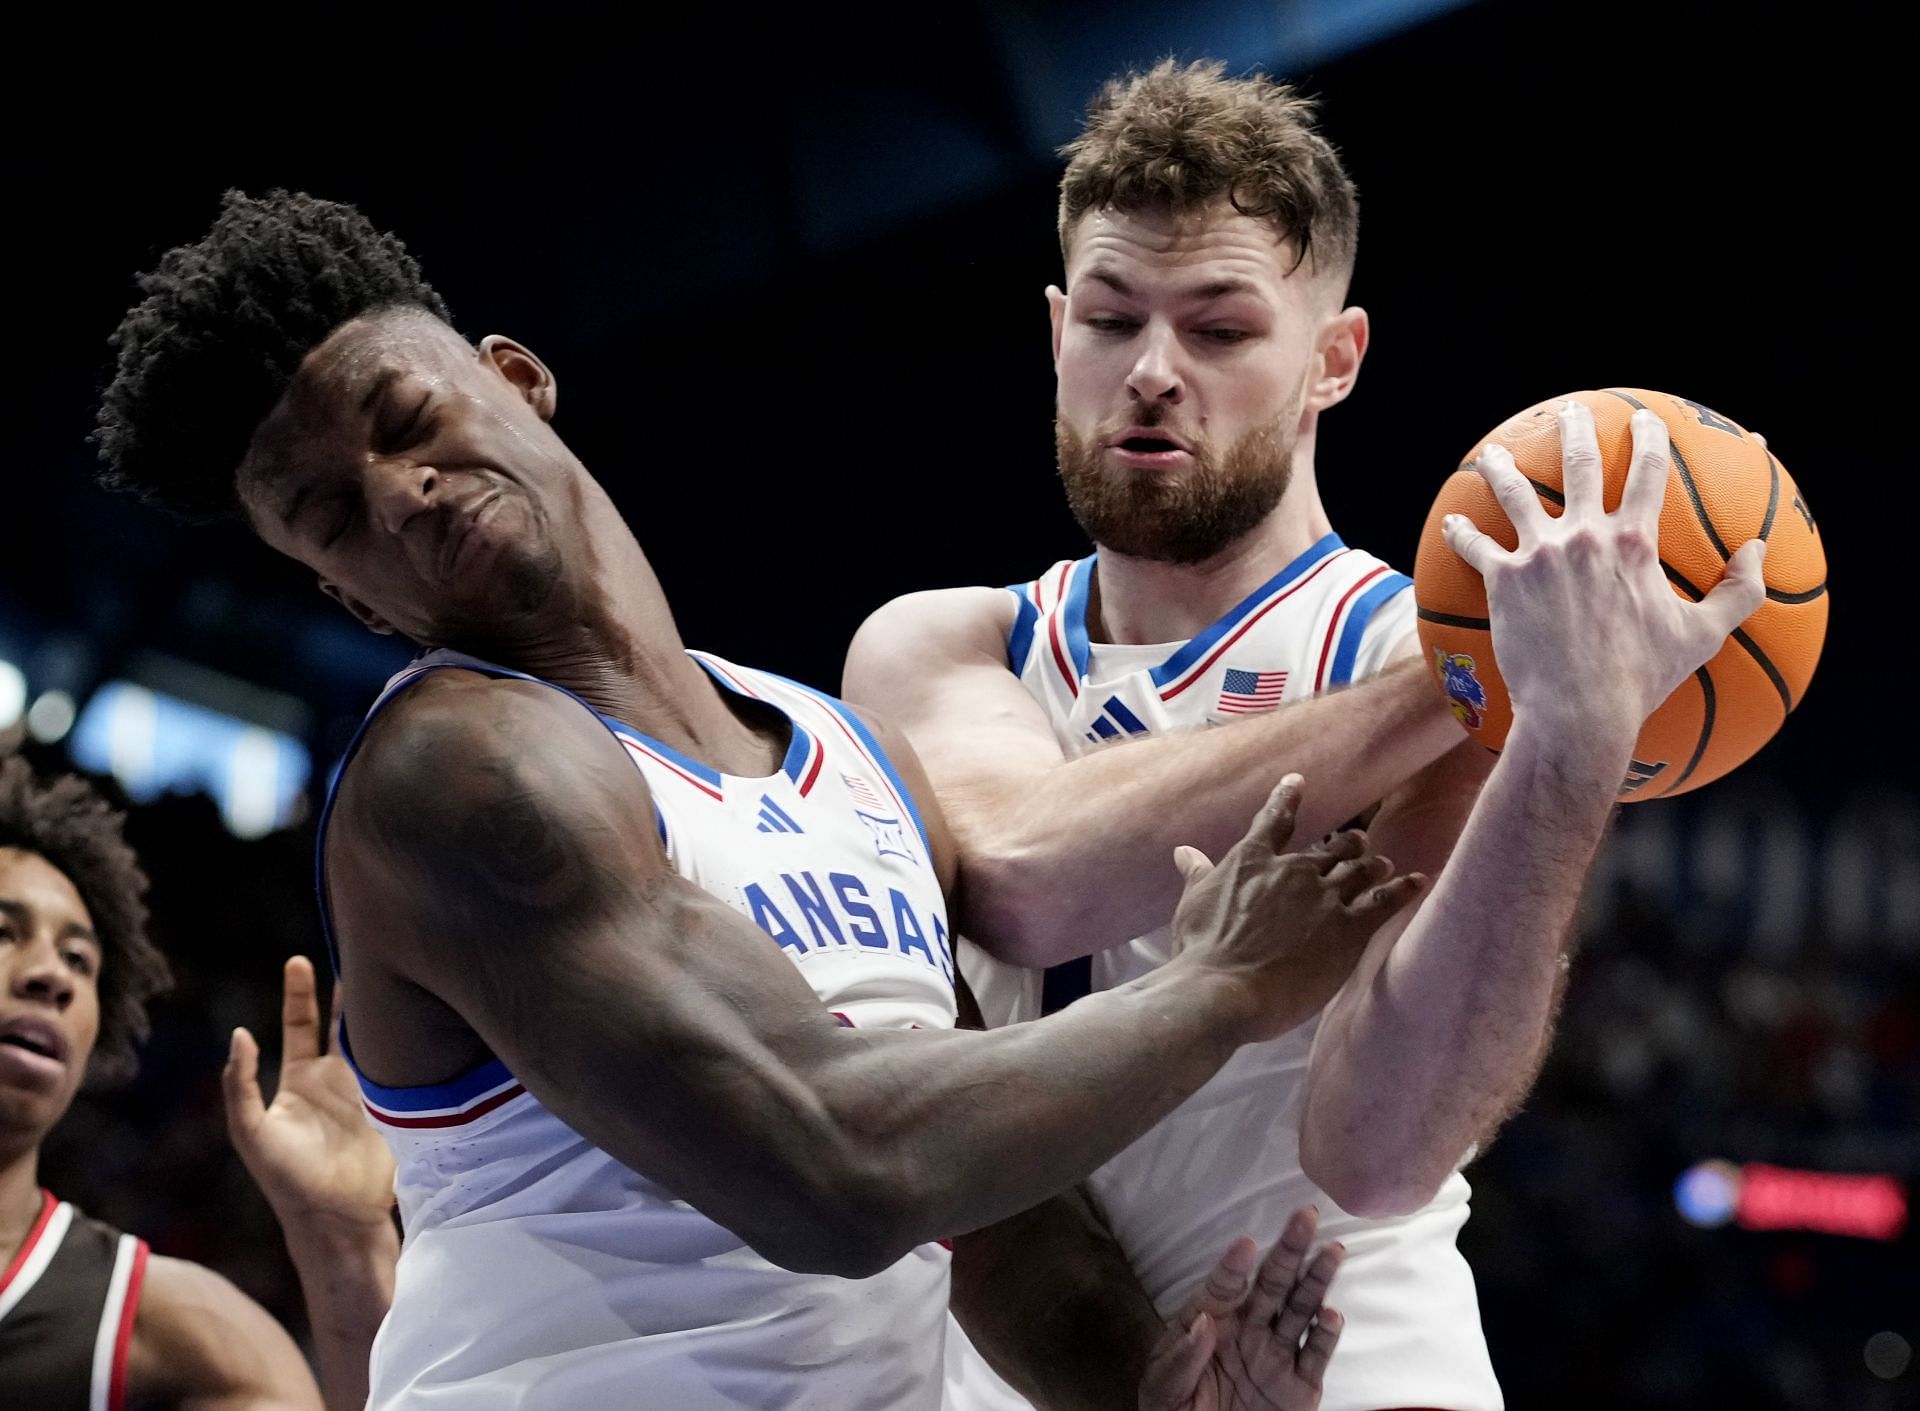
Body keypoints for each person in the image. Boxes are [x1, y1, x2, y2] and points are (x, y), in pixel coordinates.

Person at [93, 188, 1423, 1409]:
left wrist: (1160, 1384)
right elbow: (836, 1170)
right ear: (339, 590)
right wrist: (1217, 987)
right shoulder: (457, 775)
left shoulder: (852, 752)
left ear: (516, 377)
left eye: (402, 420)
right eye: (330, 513)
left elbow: (1000, 1230)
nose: (399, 491)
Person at [841, 60, 1768, 1411]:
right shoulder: (940, 644)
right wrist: (1467, 677)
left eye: (1219, 330)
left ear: (1333, 359)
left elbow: (1379, 1147)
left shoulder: (1400, 648)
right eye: (1111, 318)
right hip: (1010, 1377)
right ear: (1056, 331)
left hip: (1346, 1358)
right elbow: (1026, 876)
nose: (1152, 372)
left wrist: (1567, 742)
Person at [0, 751, 331, 1408]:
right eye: (4, 931)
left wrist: (349, 1251)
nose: (54, 976)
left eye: (80, 959)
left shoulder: (186, 1338)